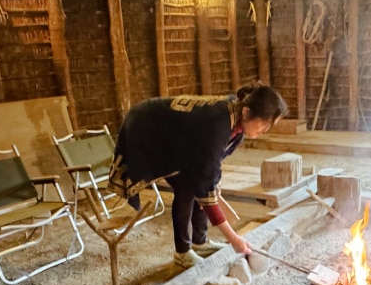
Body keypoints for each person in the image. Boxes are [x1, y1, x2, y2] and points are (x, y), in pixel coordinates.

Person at [109, 84, 288, 268]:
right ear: (246, 112)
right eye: (264, 124)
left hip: (175, 133)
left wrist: (213, 184)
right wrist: (234, 239)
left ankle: (199, 242)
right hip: (148, 127)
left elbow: (212, 168)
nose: (264, 130)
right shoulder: (218, 125)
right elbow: (205, 185)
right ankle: (182, 252)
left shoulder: (236, 123)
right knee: (186, 186)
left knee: (198, 183)